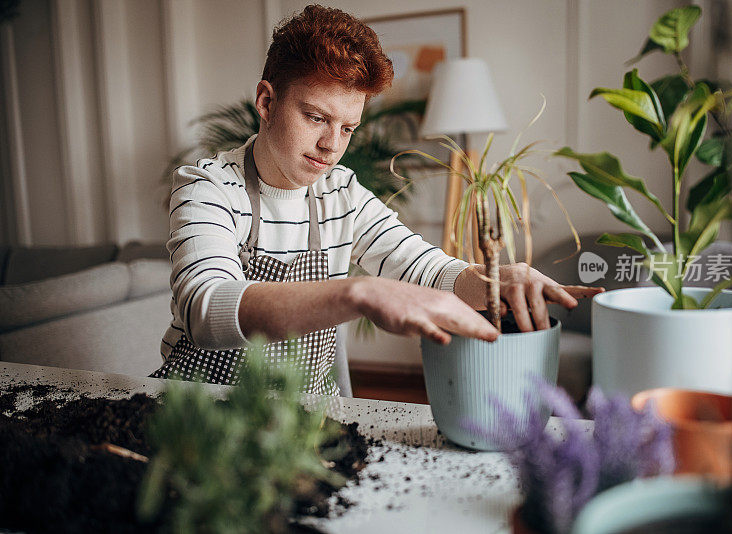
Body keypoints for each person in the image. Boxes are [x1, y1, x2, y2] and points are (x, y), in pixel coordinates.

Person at [152, 4, 602, 393]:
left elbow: (426, 270)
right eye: (315, 117)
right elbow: (205, 309)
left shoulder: (341, 192)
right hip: (201, 422)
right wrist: (360, 293)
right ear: (266, 102)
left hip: (304, 424)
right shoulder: (206, 187)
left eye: (348, 128)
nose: (331, 145)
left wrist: (496, 280)